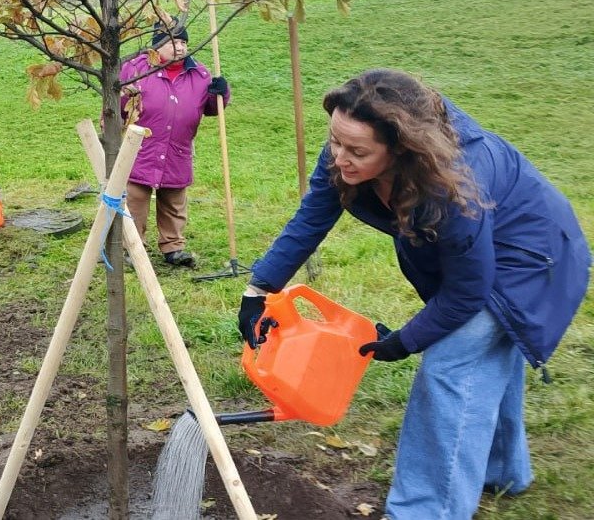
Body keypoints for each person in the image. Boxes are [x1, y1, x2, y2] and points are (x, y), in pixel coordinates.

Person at [237, 69, 590, 519]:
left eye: (356, 151)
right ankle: (500, 470)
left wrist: (407, 341)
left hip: (533, 260)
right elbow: (313, 216)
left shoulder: (452, 184)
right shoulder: (346, 154)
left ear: (402, 148)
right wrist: (259, 289)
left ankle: (426, 510)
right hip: (481, 254)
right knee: (482, 359)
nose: (339, 158)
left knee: (451, 365)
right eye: (335, 141)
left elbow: (467, 292)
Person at [119, 20, 231, 268]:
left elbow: (213, 109)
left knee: (174, 199)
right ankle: (131, 247)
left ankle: (173, 247)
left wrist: (221, 93)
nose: (180, 48)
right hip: (141, 147)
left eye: (183, 42)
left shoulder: (199, 74)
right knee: (135, 198)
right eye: (173, 42)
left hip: (177, 148)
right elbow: (117, 106)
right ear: (158, 45)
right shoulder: (136, 68)